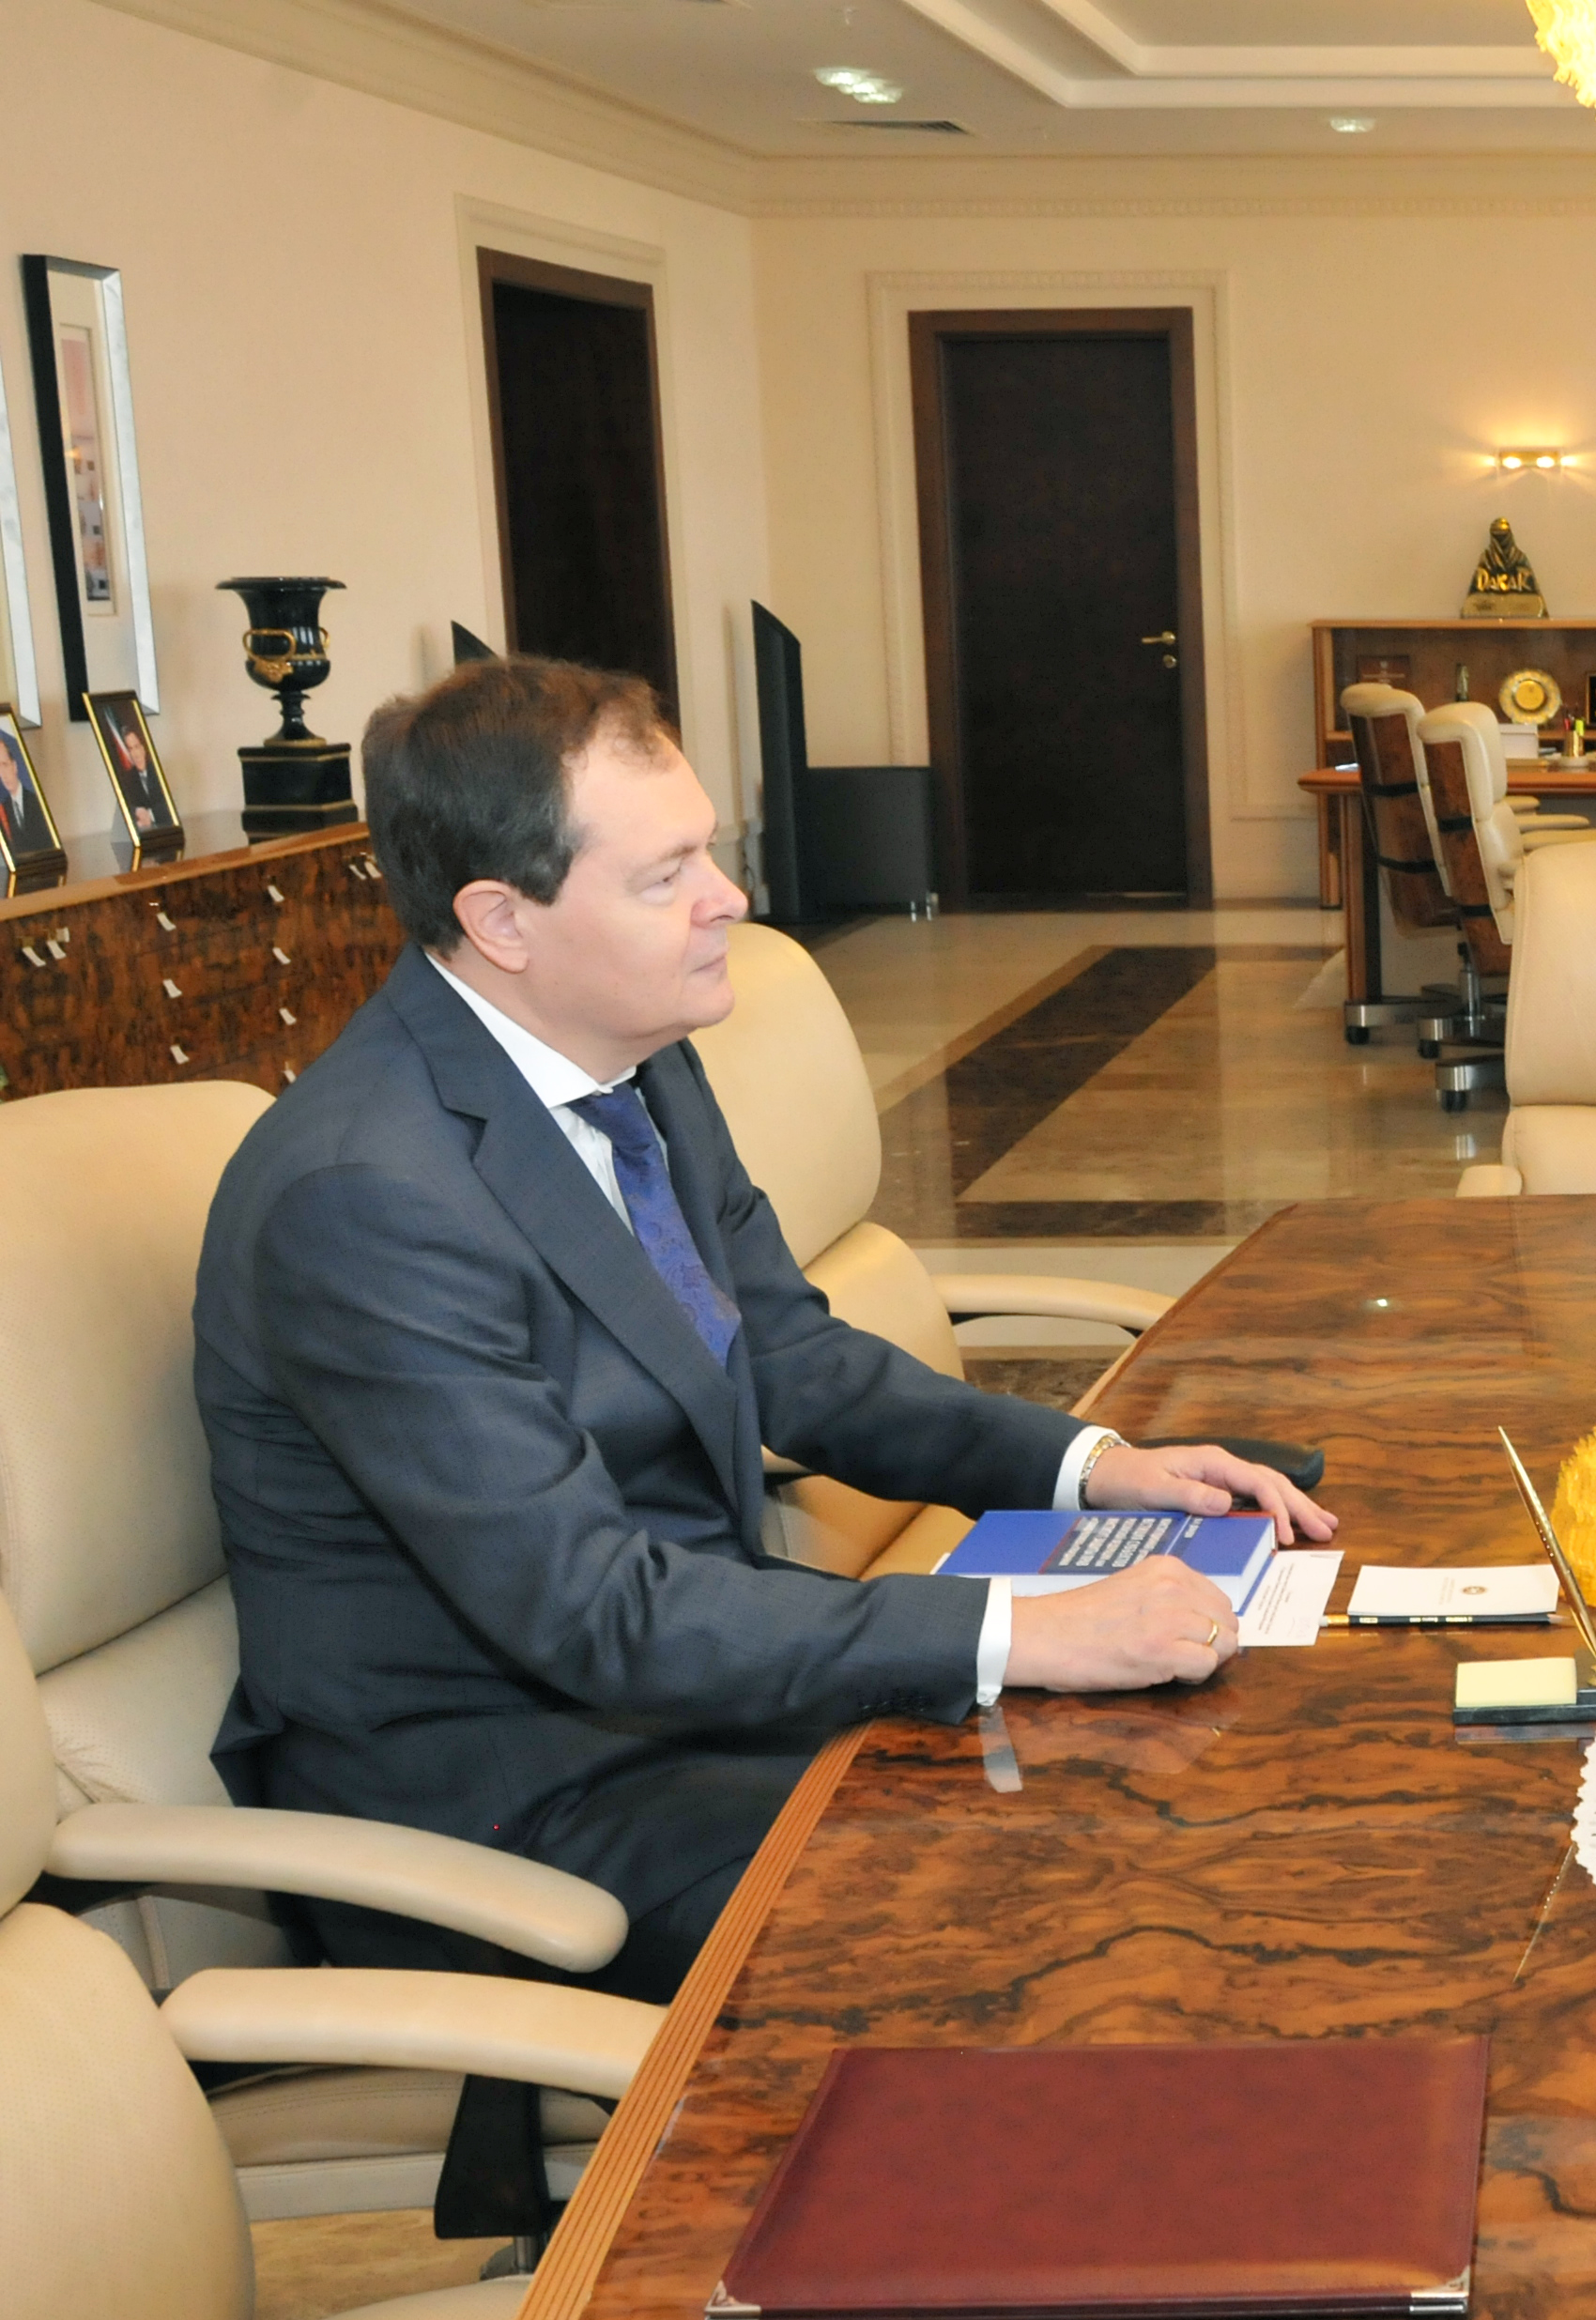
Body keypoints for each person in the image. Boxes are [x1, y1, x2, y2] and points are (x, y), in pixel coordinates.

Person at [194, 658, 1337, 2000]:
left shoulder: (637, 1060)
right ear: (501, 920)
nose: (729, 898)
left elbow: (787, 1355)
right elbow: (588, 1607)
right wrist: (1027, 1635)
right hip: (511, 1795)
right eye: (666, 874)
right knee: (1060, 1909)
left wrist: (1090, 1468)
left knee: (1174, 1796)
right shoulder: (366, 1196)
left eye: (710, 852)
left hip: (695, 1693)